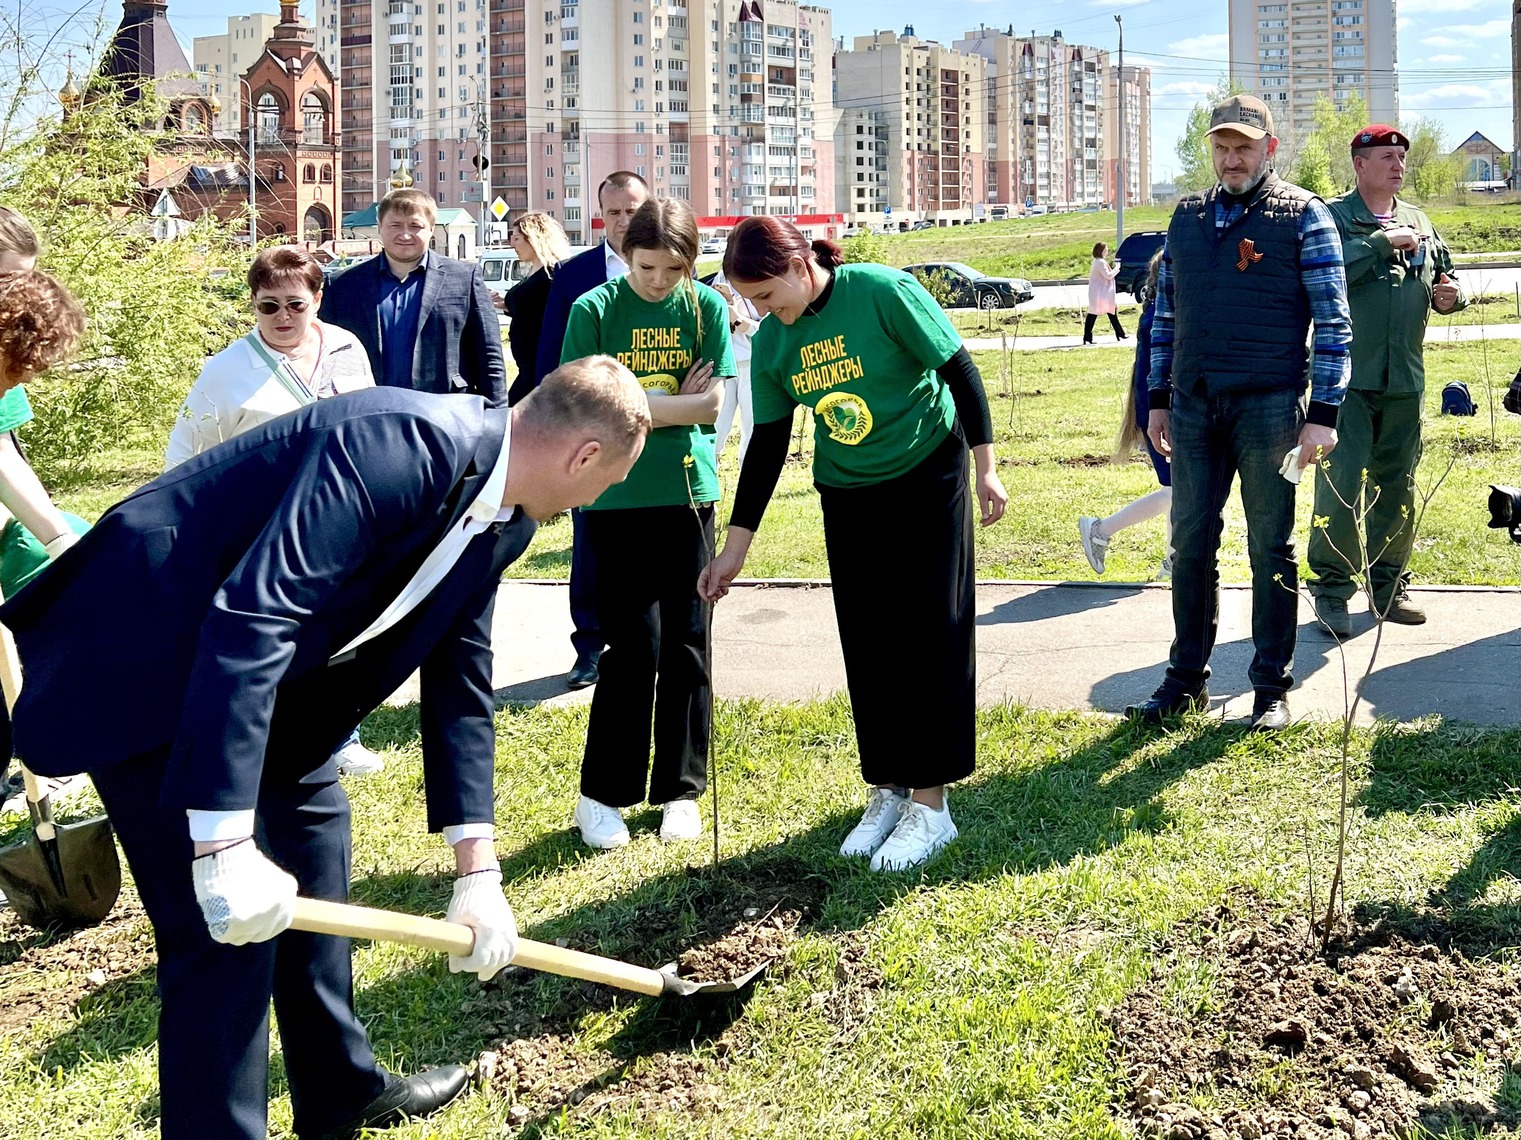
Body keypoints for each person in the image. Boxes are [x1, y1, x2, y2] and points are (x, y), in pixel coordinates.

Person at [0, 361, 649, 1140]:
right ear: (584, 456)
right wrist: (225, 843)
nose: (598, 498)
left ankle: (339, 1089)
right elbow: (255, 616)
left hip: (269, 688)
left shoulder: (504, 518)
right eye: (609, 479)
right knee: (223, 937)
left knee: (315, 849)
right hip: (142, 660)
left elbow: (460, 682)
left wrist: (479, 870)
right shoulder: (398, 443)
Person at [698, 217, 1009, 872]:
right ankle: (889, 787)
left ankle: (931, 803)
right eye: (749, 302)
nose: (759, 312)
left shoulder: (880, 292)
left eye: (763, 295)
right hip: (847, 490)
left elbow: (958, 368)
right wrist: (734, 550)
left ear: (794, 264)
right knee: (870, 641)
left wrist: (985, 466)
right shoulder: (779, 342)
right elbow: (767, 447)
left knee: (929, 635)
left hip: (928, 470)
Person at [1127, 94, 1351, 733]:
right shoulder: (1186, 217)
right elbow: (1165, 315)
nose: (1231, 159)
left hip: (1272, 408)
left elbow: (1334, 322)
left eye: (1244, 147)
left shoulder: (1305, 217)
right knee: (1190, 543)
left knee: (1269, 547)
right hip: (1195, 408)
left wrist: (1324, 413)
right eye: (1222, 148)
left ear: (1269, 149)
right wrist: (1161, 399)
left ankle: (1269, 688)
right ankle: (1185, 680)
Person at [168, 245, 381, 777]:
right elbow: (187, 453)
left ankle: (340, 735)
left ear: (317, 299)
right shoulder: (226, 370)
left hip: (340, 513)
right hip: (260, 523)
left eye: (294, 304)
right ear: (253, 304)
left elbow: (373, 419)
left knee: (339, 628)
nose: (283, 317)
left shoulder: (347, 347)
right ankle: (262, 733)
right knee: (269, 632)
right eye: (268, 306)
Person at [561, 197, 733, 849]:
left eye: (672, 269)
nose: (659, 282)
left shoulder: (706, 307)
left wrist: (634, 399)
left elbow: (711, 403)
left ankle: (680, 793)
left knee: (688, 644)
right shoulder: (593, 311)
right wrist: (667, 403)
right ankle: (602, 794)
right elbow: (585, 407)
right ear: (624, 256)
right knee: (633, 648)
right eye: (647, 267)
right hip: (614, 498)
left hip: (688, 493)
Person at [1308, 124, 1465, 638]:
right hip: (1347, 381)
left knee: (1397, 484)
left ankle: (1389, 586)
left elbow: (1445, 275)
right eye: (1385, 157)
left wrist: (1450, 296)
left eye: (1401, 156)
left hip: (1405, 380)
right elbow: (1318, 276)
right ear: (1359, 165)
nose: (1397, 164)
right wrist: (1377, 244)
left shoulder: (1419, 220)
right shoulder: (1333, 218)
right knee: (1340, 484)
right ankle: (1331, 592)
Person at [535, 171, 652, 689]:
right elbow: (550, 358)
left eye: (633, 210)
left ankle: (651, 640)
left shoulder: (673, 271)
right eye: (615, 212)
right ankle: (590, 646)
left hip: (659, 431)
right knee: (591, 539)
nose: (624, 221)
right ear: (600, 213)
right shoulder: (573, 275)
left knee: (654, 534)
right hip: (588, 432)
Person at [319, 188, 506, 406]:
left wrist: (497, 415)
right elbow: (325, 355)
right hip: (366, 412)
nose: (405, 234)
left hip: (445, 410)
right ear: (380, 227)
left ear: (431, 229)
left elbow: (489, 355)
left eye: (415, 226)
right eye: (395, 225)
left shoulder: (464, 278)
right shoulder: (343, 285)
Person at [1078, 250, 1172, 580]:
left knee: (1177, 492)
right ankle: (1101, 530)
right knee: (1176, 491)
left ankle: (1174, 558)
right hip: (1161, 416)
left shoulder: (1156, 315)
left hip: (1159, 414)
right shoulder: (1158, 319)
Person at [503, 211, 572, 406]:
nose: (513, 244)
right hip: (526, 366)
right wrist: (506, 304)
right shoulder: (535, 271)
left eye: (516, 238)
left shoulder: (551, 275)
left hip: (539, 366)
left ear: (533, 238)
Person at [711, 269, 762, 464]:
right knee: (716, 425)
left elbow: (771, 330)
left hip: (753, 365)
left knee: (752, 428)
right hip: (723, 364)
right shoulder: (721, 278)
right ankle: (708, 481)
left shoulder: (763, 278)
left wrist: (740, 320)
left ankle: (748, 482)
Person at [1083, 242, 1127, 345]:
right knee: (1094, 314)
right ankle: (1087, 337)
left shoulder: (1098, 262)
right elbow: (1108, 275)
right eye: (1106, 250)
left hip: (1101, 293)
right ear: (1101, 251)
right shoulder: (1100, 262)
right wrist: (1117, 268)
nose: (1107, 251)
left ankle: (1119, 333)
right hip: (1100, 293)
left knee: (1111, 312)